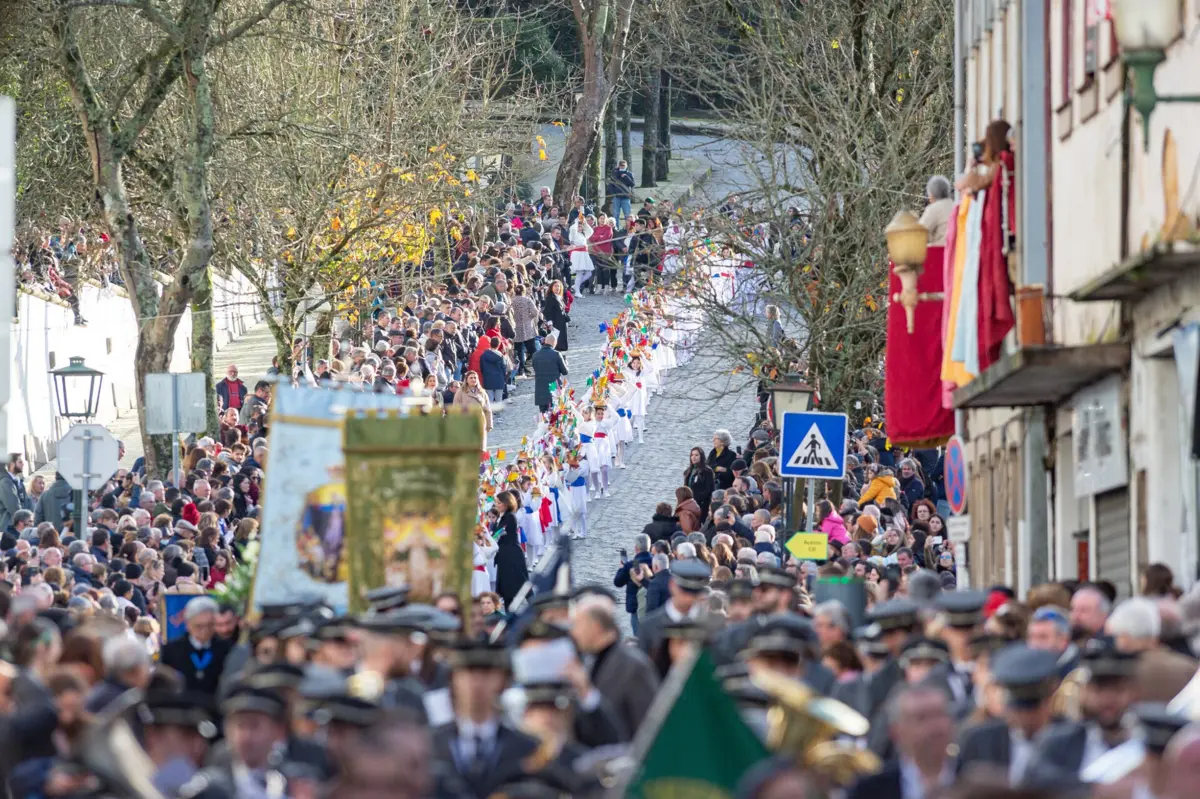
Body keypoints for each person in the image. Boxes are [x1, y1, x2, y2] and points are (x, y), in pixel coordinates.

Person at [847, 683, 956, 799]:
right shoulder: (870, 789)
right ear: (896, 732)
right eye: (922, 718)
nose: (935, 727)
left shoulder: (970, 774)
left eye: (940, 715)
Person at [159, 597, 235, 695]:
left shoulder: (227, 648)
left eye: (210, 625)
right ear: (188, 624)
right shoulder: (171, 650)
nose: (205, 631)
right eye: (199, 626)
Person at [613, 534, 653, 633]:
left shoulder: (631, 564)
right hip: (654, 605)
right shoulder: (655, 560)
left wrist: (622, 568)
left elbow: (618, 582)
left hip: (636, 606)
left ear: (636, 548)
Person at [453, 371, 493, 450]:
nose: (473, 380)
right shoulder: (461, 392)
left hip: (480, 422)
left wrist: (489, 424)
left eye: (475, 378)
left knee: (479, 448)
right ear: (466, 380)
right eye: (471, 378)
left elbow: (488, 409)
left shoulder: (482, 392)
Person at [531, 332, 568, 413]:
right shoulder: (556, 354)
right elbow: (565, 371)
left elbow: (535, 369)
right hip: (554, 388)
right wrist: (565, 362)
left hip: (541, 389)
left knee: (544, 417)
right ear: (554, 343)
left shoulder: (535, 355)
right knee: (556, 416)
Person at [919, 175, 955, 247]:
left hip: (941, 250)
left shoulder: (934, 208)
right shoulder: (955, 205)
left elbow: (919, 232)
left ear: (931, 195)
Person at [683, 447, 716, 518]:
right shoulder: (688, 471)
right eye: (692, 455)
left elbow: (709, 490)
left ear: (701, 456)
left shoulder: (707, 471)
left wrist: (696, 498)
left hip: (702, 503)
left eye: (696, 455)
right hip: (689, 502)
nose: (693, 457)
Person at [0, 453, 28, 533]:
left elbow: (26, 502)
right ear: (12, 464)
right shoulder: (5, 482)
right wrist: (26, 520)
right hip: (9, 527)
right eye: (20, 462)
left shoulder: (18, 481)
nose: (23, 464)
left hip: (18, 525)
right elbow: (14, 507)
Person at [541, 280, 569, 352]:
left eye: (559, 286)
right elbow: (548, 311)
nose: (557, 288)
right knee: (556, 340)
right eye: (555, 286)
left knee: (561, 339)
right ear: (551, 287)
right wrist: (550, 323)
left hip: (561, 321)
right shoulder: (550, 298)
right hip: (555, 322)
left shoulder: (559, 297)